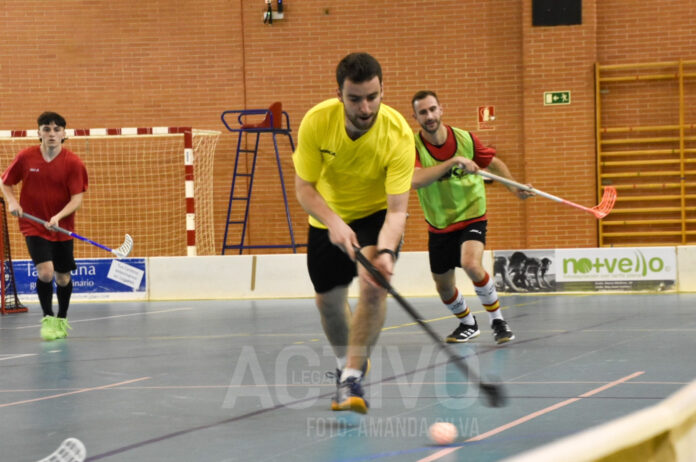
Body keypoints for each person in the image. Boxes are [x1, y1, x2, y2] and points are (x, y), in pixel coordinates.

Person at [293, 52, 415, 414]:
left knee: (374, 289)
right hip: (327, 215)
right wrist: (333, 222)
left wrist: (387, 255)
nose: (365, 108)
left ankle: (349, 377)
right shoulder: (316, 123)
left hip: (376, 213)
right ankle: (349, 359)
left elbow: (397, 211)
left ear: (382, 90)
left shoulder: (398, 135)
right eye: (355, 98)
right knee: (328, 305)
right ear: (339, 94)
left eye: (373, 97)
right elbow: (304, 188)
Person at [410, 90, 531, 345]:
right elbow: (415, 180)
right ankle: (467, 324)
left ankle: (498, 321)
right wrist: (454, 162)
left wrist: (512, 186)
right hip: (439, 224)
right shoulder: (413, 146)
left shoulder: (465, 139)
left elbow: (493, 161)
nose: (429, 116)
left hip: (472, 215)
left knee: (471, 264)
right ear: (416, 117)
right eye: (423, 112)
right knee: (443, 287)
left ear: (441, 109)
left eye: (433, 109)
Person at [1, 112, 88, 341]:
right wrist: (12, 201)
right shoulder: (26, 158)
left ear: (64, 134)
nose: (52, 133)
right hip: (33, 224)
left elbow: (77, 199)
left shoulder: (73, 163)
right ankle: (48, 318)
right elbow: (6, 182)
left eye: (56, 129)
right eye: (46, 129)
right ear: (38, 132)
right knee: (46, 272)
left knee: (63, 278)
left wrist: (58, 217)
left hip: (61, 227)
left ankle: (62, 318)